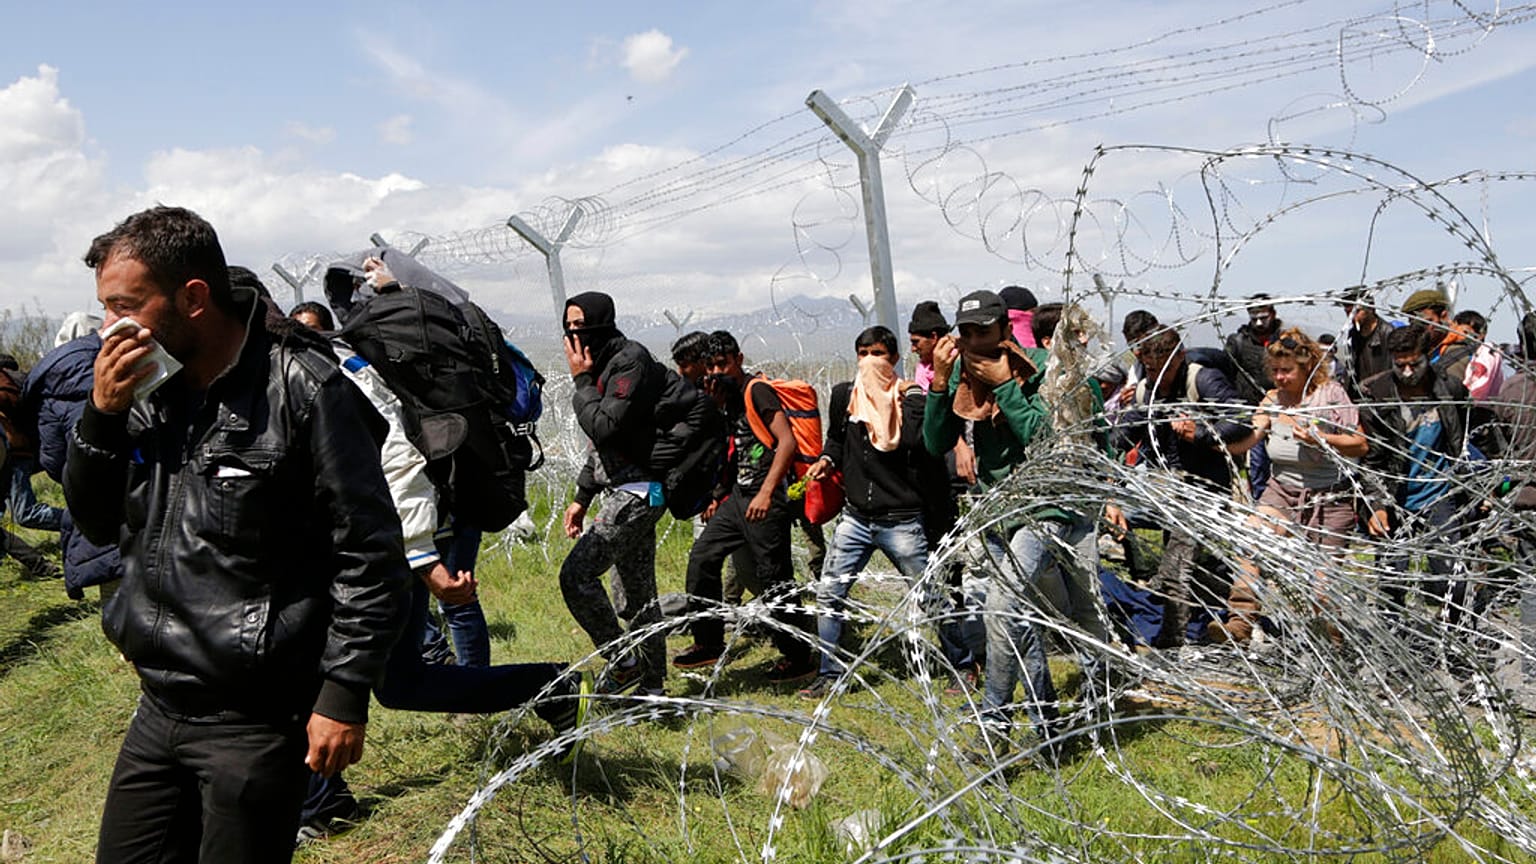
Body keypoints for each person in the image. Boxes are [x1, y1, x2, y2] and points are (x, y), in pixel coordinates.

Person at [65, 206, 412, 863]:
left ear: (193, 297)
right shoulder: (149, 385)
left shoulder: (303, 389)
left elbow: (370, 555)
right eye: (105, 308)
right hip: (159, 706)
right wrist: (102, 415)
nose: (110, 327)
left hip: (253, 721)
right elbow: (92, 518)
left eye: (124, 305)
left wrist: (342, 694)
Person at [923, 291, 1115, 761]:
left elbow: (1045, 439)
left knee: (1077, 613)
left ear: (1005, 331)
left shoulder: (1042, 372)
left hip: (1052, 510)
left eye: (982, 333)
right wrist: (940, 384)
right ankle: (1044, 725)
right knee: (1016, 623)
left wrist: (1007, 387)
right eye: (964, 333)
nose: (972, 342)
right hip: (1000, 513)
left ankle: (1087, 712)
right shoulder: (965, 377)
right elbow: (934, 442)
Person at [798, 326, 974, 699]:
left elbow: (918, 445)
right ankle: (829, 672)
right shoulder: (845, 396)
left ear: (893, 359)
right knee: (830, 594)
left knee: (931, 596)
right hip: (856, 517)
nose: (869, 362)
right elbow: (837, 438)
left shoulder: (911, 398)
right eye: (862, 353)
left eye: (877, 354)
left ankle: (961, 665)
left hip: (902, 520)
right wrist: (828, 459)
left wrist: (887, 405)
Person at [1208, 329, 1367, 644]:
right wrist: (1209, 439)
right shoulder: (1271, 399)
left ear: (1306, 367)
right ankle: (1239, 623)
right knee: (1252, 544)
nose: (1280, 377)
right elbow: (1250, 438)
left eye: (1287, 371)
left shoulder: (1330, 394)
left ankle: (1330, 641)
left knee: (1321, 585)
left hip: (1329, 499)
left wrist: (1322, 439)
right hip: (1281, 489)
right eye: (1275, 371)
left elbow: (1360, 444)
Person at [675, 331, 816, 683]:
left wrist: (767, 493)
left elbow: (785, 442)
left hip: (765, 500)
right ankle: (708, 642)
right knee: (702, 557)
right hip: (738, 498)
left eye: (723, 363)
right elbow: (734, 449)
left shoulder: (756, 391)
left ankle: (800, 656)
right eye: (710, 366)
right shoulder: (727, 397)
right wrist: (718, 494)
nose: (717, 370)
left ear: (738, 358)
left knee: (775, 580)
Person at [1112, 326, 1254, 648]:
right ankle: (1219, 611)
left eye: (1164, 369)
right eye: (1149, 369)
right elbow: (1125, 434)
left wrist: (1201, 432)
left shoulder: (1201, 380)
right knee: (1177, 560)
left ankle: (1173, 639)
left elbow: (1241, 417)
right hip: (1172, 488)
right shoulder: (1146, 390)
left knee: (1177, 563)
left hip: (1205, 487)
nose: (1158, 378)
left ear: (1179, 357)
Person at [559, 291, 669, 696]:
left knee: (576, 575)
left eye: (581, 325)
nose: (574, 334)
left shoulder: (629, 362)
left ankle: (622, 661)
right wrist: (581, 497)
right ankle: (653, 687)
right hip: (624, 490)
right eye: (568, 326)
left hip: (639, 492)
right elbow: (603, 444)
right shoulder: (604, 363)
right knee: (636, 596)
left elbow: (604, 426)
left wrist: (582, 381)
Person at [1358, 322, 1480, 642]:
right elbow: (1372, 461)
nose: (1409, 372)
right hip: (1395, 496)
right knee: (1393, 578)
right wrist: (1377, 506)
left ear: (1428, 356)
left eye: (1415, 363)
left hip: (1440, 494)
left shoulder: (1449, 390)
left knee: (1451, 576)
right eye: (1401, 365)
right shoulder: (1377, 395)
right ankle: (1395, 649)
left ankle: (1457, 641)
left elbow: (1464, 439)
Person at [1491, 313, 1536, 712]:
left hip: (1525, 500)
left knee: (1531, 588)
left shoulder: (1511, 390)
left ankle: (1534, 677)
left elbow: (1500, 454)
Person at [1337, 287, 1396, 399]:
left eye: (1357, 312)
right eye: (1348, 313)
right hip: (1359, 398)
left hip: (1383, 398)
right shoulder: (1353, 335)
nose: (1352, 317)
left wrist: (1372, 382)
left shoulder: (1387, 332)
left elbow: (1394, 369)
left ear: (1370, 308)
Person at [1225, 294, 1282, 405]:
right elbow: (1227, 374)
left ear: (1273, 314)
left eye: (1264, 318)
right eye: (1254, 319)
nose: (1259, 323)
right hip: (1246, 407)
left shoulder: (1284, 340)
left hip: (1278, 404)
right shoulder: (1238, 342)